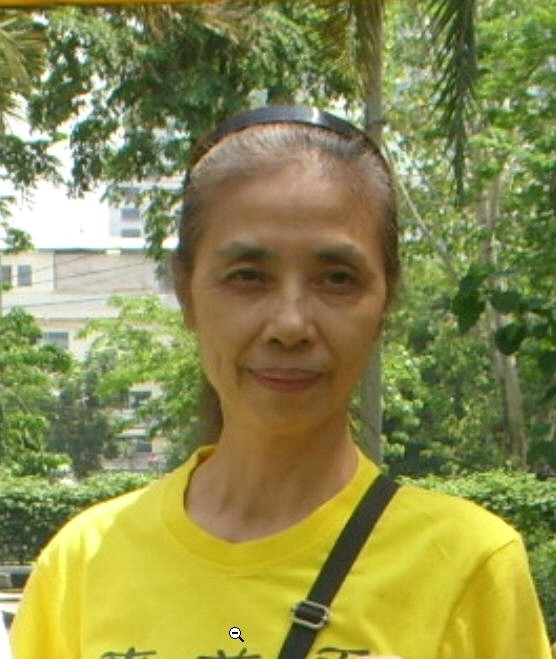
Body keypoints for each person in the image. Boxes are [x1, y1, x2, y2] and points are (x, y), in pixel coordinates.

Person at [11, 106, 552, 659]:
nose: (291, 325)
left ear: (386, 301)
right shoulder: (84, 565)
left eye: (337, 278)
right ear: (186, 292)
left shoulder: (467, 565)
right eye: (248, 277)